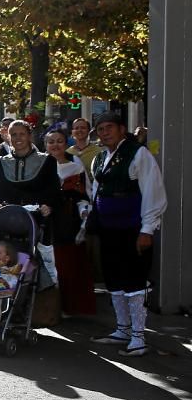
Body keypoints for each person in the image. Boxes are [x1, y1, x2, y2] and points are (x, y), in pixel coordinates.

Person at [87, 111, 167, 356]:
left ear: (122, 129)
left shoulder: (138, 153)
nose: (105, 132)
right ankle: (122, 329)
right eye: (100, 129)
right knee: (114, 279)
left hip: (132, 228)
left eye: (109, 127)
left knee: (134, 280)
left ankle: (139, 337)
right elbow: (96, 192)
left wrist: (146, 230)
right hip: (108, 229)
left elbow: (154, 193)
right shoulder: (100, 158)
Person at [43, 130, 96, 316]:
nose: (55, 145)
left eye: (59, 141)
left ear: (66, 144)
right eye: (51, 142)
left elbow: (85, 193)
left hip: (67, 220)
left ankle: (71, 305)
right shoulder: (39, 164)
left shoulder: (76, 165)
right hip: (44, 220)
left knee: (69, 263)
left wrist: (84, 211)